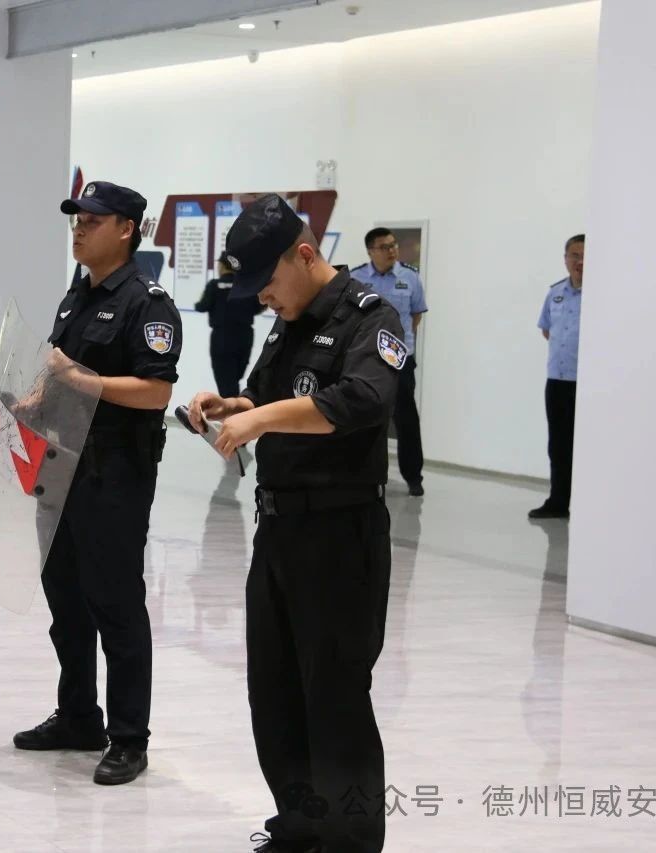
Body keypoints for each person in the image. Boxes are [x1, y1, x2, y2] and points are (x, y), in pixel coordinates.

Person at [187, 194, 402, 853]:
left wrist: (261, 418)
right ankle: (300, 830)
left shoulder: (371, 315)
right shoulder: (288, 321)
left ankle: (349, 844)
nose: (262, 298)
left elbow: (363, 399)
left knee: (335, 697)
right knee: (275, 693)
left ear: (304, 255)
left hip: (340, 535)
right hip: (277, 532)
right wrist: (232, 406)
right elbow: (267, 393)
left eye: (267, 282)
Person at [13, 180, 182, 786]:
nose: (79, 228)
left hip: (113, 474)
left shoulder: (147, 304)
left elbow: (156, 392)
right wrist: (30, 403)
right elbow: (57, 369)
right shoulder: (76, 295)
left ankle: (129, 738)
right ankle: (79, 716)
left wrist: (83, 381)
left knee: (115, 603)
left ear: (127, 229)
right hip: (59, 467)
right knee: (65, 599)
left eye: (92, 219)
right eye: (76, 219)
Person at [351, 228, 428, 496]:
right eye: (384, 247)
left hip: (400, 360)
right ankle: (366, 475)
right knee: (367, 418)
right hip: (367, 360)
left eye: (394, 245)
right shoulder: (356, 278)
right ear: (370, 251)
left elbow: (416, 315)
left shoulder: (410, 277)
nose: (392, 250)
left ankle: (413, 476)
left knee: (406, 420)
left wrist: (400, 342)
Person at [530, 234, 584, 520]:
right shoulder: (555, 293)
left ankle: (589, 504)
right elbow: (546, 329)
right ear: (565, 259)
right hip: (558, 381)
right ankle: (559, 502)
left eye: (585, 256)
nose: (580, 261)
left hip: (586, 384)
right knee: (558, 445)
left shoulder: (602, 296)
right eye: (575, 255)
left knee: (585, 445)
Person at [196, 256, 266, 398]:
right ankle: (234, 405)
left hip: (222, 337)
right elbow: (261, 305)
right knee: (235, 378)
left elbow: (201, 306)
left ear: (222, 266)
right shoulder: (246, 286)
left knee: (226, 382)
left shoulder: (214, 285)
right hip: (244, 336)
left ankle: (231, 408)